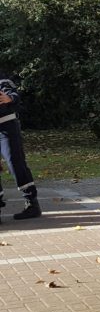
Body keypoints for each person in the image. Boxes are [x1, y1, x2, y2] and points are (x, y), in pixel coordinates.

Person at [0, 71, 41, 221]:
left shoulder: (2, 80)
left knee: (15, 163)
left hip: (6, 127)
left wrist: (9, 98)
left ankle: (32, 203)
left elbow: (14, 94)